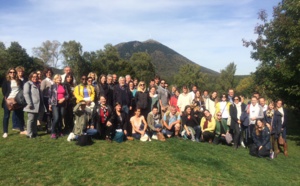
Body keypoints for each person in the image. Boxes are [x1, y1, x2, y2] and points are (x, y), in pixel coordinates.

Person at [2, 68, 27, 138]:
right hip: (8, 100)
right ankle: (5, 132)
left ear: (16, 73)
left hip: (17, 100)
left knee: (19, 115)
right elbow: (4, 91)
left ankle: (22, 130)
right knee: (6, 116)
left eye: (14, 72)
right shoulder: (6, 81)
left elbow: (22, 89)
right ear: (8, 73)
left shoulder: (19, 81)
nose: (12, 73)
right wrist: (7, 98)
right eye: (11, 72)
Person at [23, 72, 45, 138]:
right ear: (30, 77)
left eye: (36, 76)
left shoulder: (38, 84)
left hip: (38, 105)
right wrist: (29, 103)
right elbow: (26, 94)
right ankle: (29, 134)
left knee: (35, 119)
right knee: (31, 119)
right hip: (31, 105)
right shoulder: (28, 84)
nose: (35, 77)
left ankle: (35, 133)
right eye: (33, 76)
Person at [48, 74, 69, 139]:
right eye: (58, 78)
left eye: (60, 78)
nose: (59, 79)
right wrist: (49, 104)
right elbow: (50, 96)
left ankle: (60, 131)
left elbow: (67, 95)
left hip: (62, 104)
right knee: (56, 117)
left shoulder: (64, 86)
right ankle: (53, 132)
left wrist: (64, 99)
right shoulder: (52, 86)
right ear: (55, 79)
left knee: (61, 117)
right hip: (55, 104)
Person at [13, 66, 28, 131]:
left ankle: (22, 124)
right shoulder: (15, 79)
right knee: (16, 111)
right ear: (17, 72)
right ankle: (15, 125)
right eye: (19, 71)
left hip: (23, 96)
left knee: (21, 111)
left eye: (22, 71)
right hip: (16, 96)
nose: (20, 73)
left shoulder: (25, 79)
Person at [40, 68, 54, 132]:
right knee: (48, 113)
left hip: (53, 98)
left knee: (52, 113)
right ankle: (48, 127)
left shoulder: (53, 80)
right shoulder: (44, 81)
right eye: (47, 72)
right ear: (45, 74)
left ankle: (52, 126)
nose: (49, 73)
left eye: (50, 72)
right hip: (47, 98)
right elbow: (42, 90)